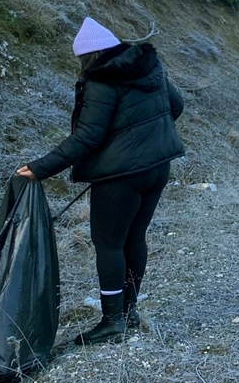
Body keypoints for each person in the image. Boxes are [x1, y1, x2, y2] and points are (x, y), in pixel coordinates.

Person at [17, 17, 185, 345]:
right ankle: (129, 310)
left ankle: (111, 322)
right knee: (134, 238)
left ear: (89, 56)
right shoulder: (150, 66)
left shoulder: (101, 80)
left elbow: (88, 137)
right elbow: (175, 106)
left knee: (108, 244)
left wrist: (40, 168)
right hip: (157, 168)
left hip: (120, 178)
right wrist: (143, 137)